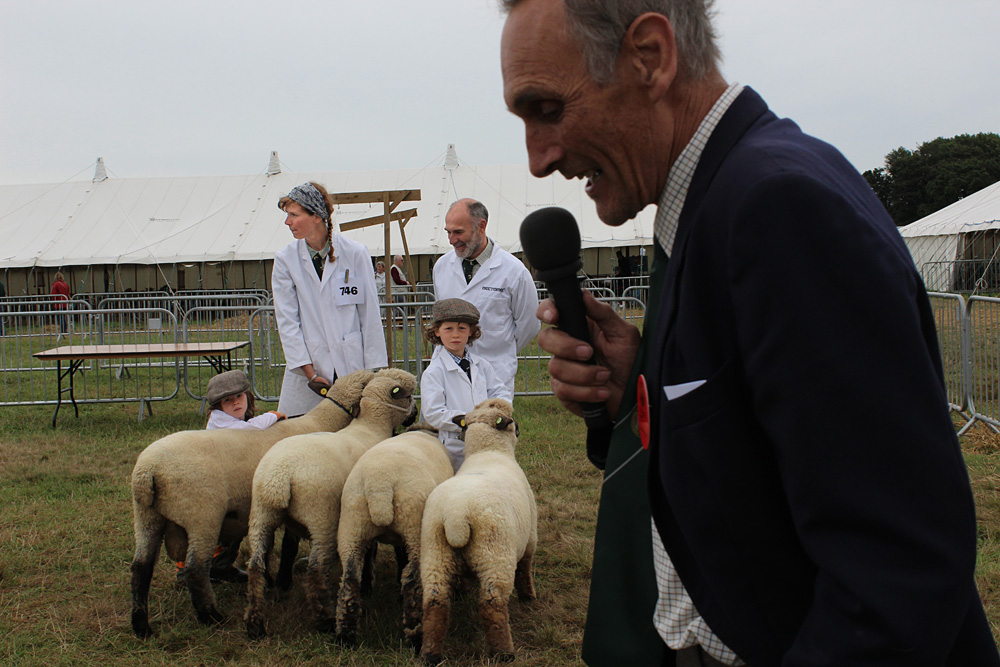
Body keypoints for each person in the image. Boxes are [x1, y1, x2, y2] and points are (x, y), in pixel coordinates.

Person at [500, 1, 1000, 666]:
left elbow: (894, 575)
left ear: (650, 56)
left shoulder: (777, 207)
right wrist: (641, 397)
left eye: (548, 110)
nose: (537, 158)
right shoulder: (707, 199)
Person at [272, 182, 387, 416]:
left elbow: (369, 315)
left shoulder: (355, 253)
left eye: (294, 215)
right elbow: (287, 321)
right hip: (309, 367)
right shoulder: (286, 260)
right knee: (303, 434)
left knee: (354, 435)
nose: (287, 222)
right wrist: (310, 373)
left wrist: (373, 371)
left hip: (351, 363)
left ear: (316, 216)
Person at [433, 198, 540, 395]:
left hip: (494, 374)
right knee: (447, 424)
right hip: (447, 372)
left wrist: (501, 351)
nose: (451, 240)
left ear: (481, 226)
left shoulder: (514, 271)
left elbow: (530, 324)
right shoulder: (441, 267)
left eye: (458, 232)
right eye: (448, 232)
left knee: (489, 425)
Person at [419, 298, 512, 470]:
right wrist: (468, 420)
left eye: (461, 328)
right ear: (437, 332)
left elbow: (499, 391)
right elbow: (433, 412)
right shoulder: (434, 372)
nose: (455, 334)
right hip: (455, 445)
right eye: (448, 329)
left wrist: (498, 410)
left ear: (470, 331)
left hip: (486, 437)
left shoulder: (482, 365)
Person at [205, 369, 286, 430]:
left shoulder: (231, 415)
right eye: (227, 400)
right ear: (219, 405)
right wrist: (273, 415)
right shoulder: (219, 419)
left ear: (247, 396)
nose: (235, 402)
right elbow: (249, 429)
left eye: (239, 396)